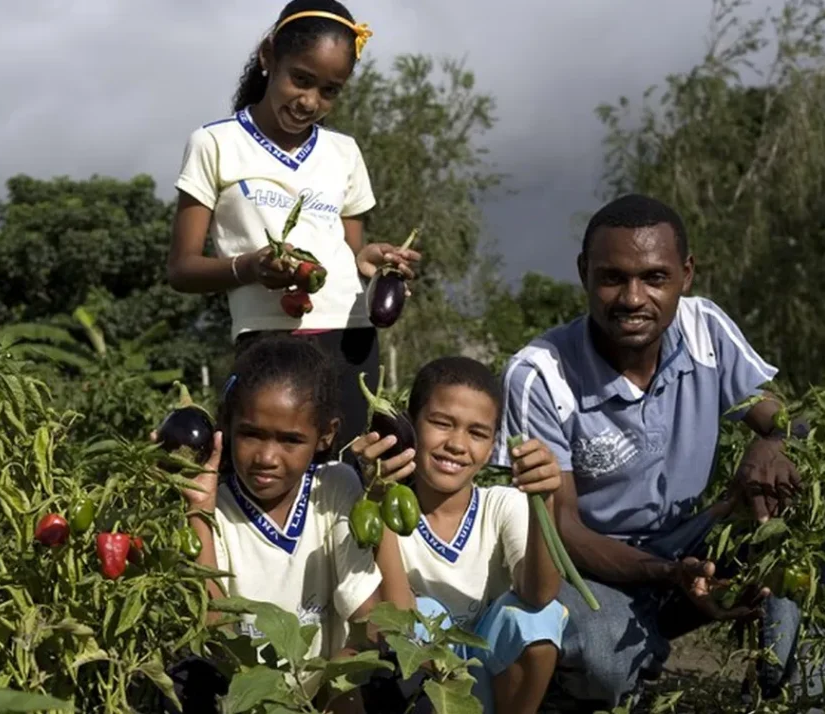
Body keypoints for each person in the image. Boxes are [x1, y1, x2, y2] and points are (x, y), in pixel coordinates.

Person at [492, 193, 825, 709]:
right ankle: (581, 678)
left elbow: (788, 422)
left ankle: (802, 693)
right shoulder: (539, 374)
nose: (633, 297)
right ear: (583, 273)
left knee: (816, 506)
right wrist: (669, 574)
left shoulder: (705, 329)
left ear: (686, 275)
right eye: (613, 277)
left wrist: (771, 443)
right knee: (604, 658)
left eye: (655, 278)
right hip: (593, 568)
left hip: (690, 542)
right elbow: (561, 528)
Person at [167, 0, 420, 455]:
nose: (310, 102)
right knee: (263, 478)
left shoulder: (344, 152)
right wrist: (249, 267)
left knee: (349, 476)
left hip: (350, 340)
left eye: (329, 91)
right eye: (300, 79)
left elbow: (351, 254)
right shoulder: (216, 144)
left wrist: (374, 263)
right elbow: (182, 269)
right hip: (266, 340)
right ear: (268, 57)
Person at [162, 334, 403, 713]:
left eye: (290, 440)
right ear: (226, 426)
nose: (267, 457)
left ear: (325, 436)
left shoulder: (335, 488)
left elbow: (367, 614)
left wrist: (377, 495)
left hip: (323, 700)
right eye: (251, 434)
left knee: (365, 665)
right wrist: (197, 509)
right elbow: (213, 633)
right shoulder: (215, 510)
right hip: (241, 699)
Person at [351, 356, 570, 714]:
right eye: (441, 423)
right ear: (409, 424)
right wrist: (377, 497)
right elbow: (399, 614)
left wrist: (543, 501)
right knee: (424, 614)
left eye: (477, 433)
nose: (457, 443)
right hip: (420, 689)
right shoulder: (384, 508)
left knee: (535, 616)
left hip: (496, 676)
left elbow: (540, 593)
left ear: (493, 444)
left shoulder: (502, 504)